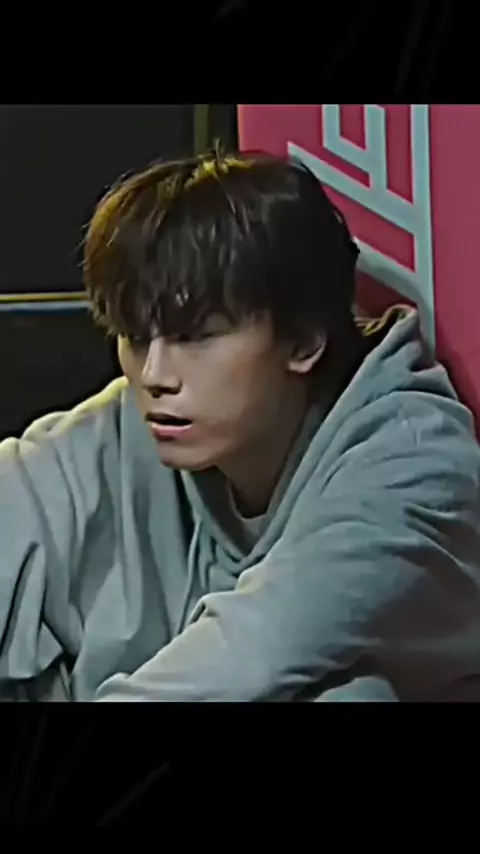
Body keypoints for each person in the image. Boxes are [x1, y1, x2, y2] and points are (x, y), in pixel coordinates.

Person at [1, 147, 480, 703]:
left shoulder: (413, 470)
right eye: (135, 338)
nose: (154, 375)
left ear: (304, 339)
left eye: (196, 337)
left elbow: (254, 655)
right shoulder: (139, 420)